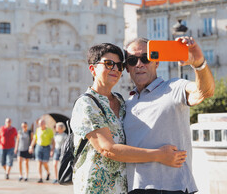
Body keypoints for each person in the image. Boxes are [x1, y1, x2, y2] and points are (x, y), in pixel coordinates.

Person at [71, 43, 187, 194]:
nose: (115, 69)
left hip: (122, 189)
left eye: (119, 65)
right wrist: (159, 155)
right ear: (92, 69)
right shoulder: (86, 104)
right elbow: (108, 149)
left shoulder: (121, 102)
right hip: (95, 188)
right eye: (108, 64)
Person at [123, 37, 215, 194]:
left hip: (172, 188)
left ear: (157, 62)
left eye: (146, 58)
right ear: (127, 67)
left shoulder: (174, 87)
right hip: (135, 188)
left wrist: (199, 64)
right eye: (132, 60)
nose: (139, 64)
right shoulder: (126, 105)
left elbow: (204, 91)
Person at [29, 119, 55, 183]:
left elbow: (53, 141)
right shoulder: (38, 130)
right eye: (39, 124)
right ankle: (40, 178)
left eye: (42, 123)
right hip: (38, 147)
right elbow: (34, 139)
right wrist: (31, 146)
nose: (40, 125)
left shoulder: (49, 130)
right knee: (39, 162)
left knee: (45, 163)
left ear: (44, 124)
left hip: (46, 147)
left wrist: (52, 150)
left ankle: (48, 172)